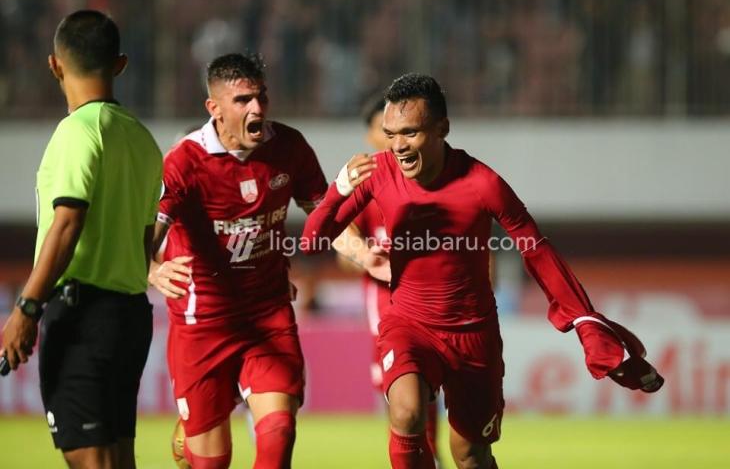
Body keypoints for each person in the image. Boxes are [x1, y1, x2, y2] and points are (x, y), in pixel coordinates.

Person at [301, 73, 663, 469]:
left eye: (410, 133)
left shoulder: (483, 183)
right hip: (408, 323)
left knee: (470, 454)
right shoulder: (379, 173)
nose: (398, 146)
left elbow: (537, 250)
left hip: (473, 334)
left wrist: (583, 319)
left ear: (442, 128)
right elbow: (312, 242)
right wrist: (338, 188)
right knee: (406, 415)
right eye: (391, 134)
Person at [148, 52, 383, 469]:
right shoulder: (184, 163)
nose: (257, 108)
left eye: (261, 97)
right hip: (201, 326)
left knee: (278, 438)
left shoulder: (288, 148)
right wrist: (151, 267)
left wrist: (367, 255)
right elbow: (144, 236)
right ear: (214, 109)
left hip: (266, 316)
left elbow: (323, 215)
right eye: (242, 100)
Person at [0, 10, 162, 469]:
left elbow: (66, 224)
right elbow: (144, 239)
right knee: (117, 457)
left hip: (82, 315)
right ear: (121, 64)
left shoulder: (76, 133)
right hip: (130, 317)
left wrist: (27, 307)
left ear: (54, 65)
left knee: (90, 459)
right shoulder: (143, 141)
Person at [336, 95, 441, 465]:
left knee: (430, 397)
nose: (397, 138)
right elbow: (340, 244)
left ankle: (432, 456)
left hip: (434, 307)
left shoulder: (432, 178)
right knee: (402, 400)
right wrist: (368, 257)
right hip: (386, 314)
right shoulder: (366, 185)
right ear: (371, 137)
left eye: (405, 129)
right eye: (386, 130)